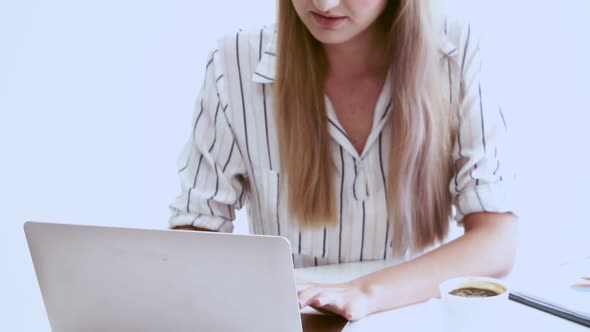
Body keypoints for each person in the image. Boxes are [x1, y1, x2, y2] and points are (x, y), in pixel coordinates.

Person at [168, 0, 517, 321]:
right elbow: (195, 236)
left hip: (412, 319)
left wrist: (366, 292)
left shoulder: (457, 49)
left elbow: (496, 241)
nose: (324, 4)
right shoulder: (234, 63)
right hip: (297, 322)